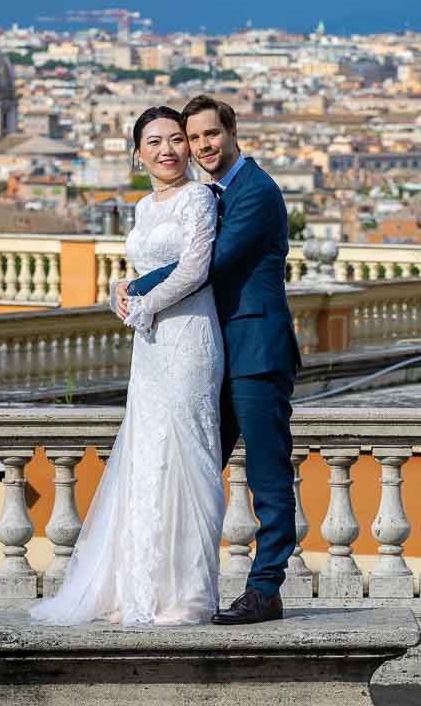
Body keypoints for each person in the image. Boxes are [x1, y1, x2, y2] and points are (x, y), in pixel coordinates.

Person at [30, 106, 225, 626]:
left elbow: (195, 269)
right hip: (151, 342)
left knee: (185, 453)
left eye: (177, 139)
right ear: (137, 154)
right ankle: (141, 587)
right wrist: (124, 288)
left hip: (187, 335)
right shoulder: (142, 206)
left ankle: (186, 596)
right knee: (146, 453)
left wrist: (143, 303)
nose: (168, 150)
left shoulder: (199, 198)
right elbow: (147, 267)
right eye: (155, 142)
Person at [117, 94, 301, 625]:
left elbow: (210, 262)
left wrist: (133, 289)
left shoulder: (257, 192)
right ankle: (174, 584)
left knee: (266, 474)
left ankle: (266, 588)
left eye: (209, 135)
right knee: (190, 469)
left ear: (232, 131)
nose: (202, 146)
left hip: (256, 351)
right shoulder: (209, 194)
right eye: (193, 138)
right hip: (210, 353)